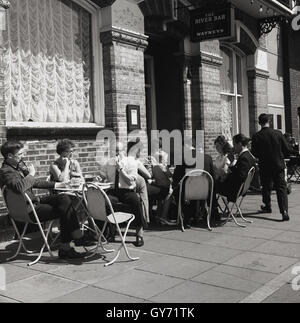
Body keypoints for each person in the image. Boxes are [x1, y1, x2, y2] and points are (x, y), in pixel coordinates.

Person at [0, 141, 85, 259]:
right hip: (27, 210)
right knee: (65, 209)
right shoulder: (6, 171)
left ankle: (77, 237)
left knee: (64, 198)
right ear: (9, 156)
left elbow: (35, 182)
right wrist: (31, 174)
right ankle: (69, 245)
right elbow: (19, 188)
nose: (22, 156)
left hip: (33, 202)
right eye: (19, 154)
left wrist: (61, 185)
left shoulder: (18, 165)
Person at [99, 142, 146, 247]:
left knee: (136, 202)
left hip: (127, 190)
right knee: (105, 202)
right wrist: (99, 178)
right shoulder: (108, 162)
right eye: (114, 151)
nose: (116, 153)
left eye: (118, 151)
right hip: (113, 190)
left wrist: (121, 170)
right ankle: (110, 231)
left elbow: (130, 182)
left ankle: (139, 233)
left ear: (124, 151)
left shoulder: (131, 162)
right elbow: (102, 176)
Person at [49, 139, 95, 247]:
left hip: (74, 192)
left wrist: (76, 175)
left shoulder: (75, 162)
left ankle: (94, 232)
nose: (72, 154)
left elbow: (81, 179)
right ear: (63, 152)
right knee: (75, 203)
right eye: (70, 151)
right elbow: (62, 180)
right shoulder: (54, 165)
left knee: (90, 200)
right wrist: (66, 165)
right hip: (60, 195)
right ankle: (77, 236)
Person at [251, 114, 292, 221]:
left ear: (259, 123)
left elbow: (254, 152)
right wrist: (282, 155)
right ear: (269, 121)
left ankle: (267, 206)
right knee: (281, 188)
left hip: (264, 165)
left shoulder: (256, 136)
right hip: (278, 164)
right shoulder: (278, 133)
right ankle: (284, 211)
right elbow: (287, 149)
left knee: (266, 186)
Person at [216, 134, 256, 203]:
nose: (233, 147)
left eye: (234, 144)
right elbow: (239, 171)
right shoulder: (247, 155)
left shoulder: (244, 158)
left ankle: (213, 210)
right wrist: (231, 167)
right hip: (240, 188)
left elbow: (240, 177)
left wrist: (226, 176)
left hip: (235, 189)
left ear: (239, 144)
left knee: (212, 185)